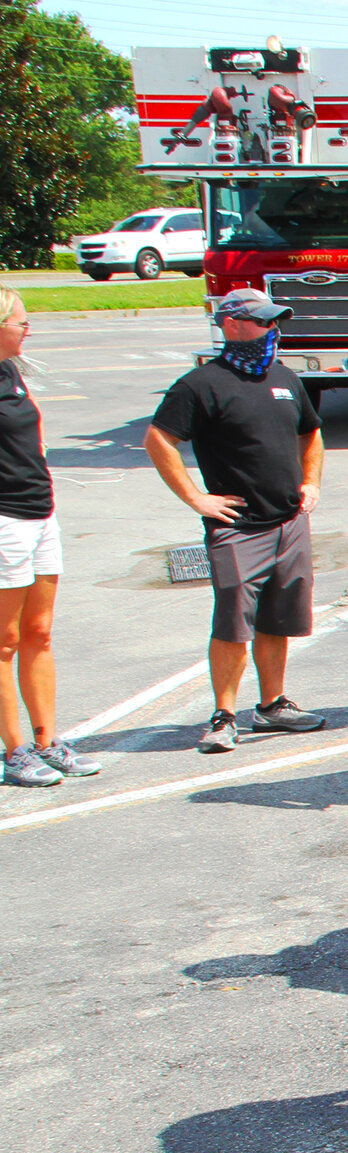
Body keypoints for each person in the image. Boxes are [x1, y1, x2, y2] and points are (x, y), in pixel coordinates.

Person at [144, 289, 328, 753]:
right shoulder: (201, 384)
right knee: (232, 623)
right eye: (262, 322)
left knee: (279, 617)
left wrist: (311, 481)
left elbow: (312, 433)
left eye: (274, 322)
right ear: (230, 325)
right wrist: (196, 498)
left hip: (289, 521)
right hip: (237, 528)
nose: (273, 331)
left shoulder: (285, 377)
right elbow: (158, 439)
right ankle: (224, 715)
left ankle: (272, 706)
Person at [0, 289, 98, 787]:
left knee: (38, 633)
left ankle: (46, 742)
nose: (27, 328)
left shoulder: (12, 372)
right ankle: (15, 751)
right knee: (5, 640)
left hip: (40, 513)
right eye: (21, 321)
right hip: (4, 521)